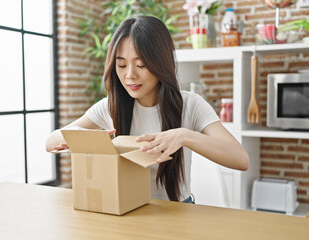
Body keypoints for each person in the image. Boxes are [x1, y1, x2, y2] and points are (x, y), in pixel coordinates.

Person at [46, 16, 249, 203]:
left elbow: (240, 159)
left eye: (141, 65)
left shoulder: (190, 105)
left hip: (177, 211)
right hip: (126, 209)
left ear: (160, 63)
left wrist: (184, 136)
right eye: (122, 65)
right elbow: (51, 141)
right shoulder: (111, 106)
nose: (129, 76)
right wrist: (79, 136)